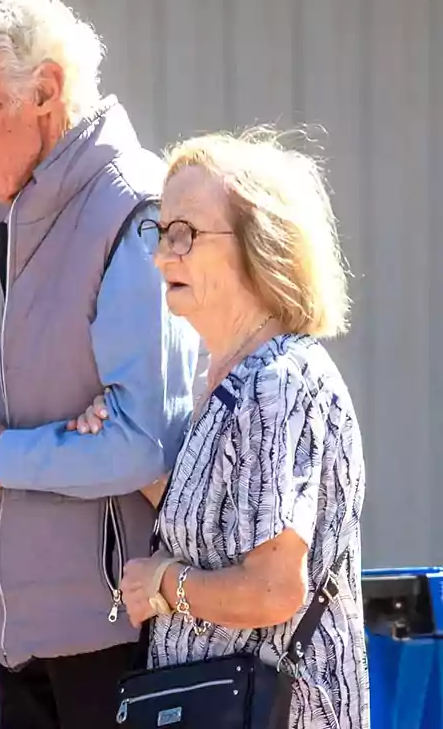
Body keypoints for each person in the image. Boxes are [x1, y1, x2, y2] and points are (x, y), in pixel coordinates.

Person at [0, 0, 203, 729]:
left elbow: (144, 442)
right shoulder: (33, 214)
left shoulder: (130, 210)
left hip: (116, 648)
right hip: (34, 648)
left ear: (44, 90)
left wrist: (3, 459)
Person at [73, 128, 369, 728]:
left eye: (184, 234)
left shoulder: (275, 382)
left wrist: (163, 583)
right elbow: (221, 524)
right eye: (160, 232)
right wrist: (118, 437)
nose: (161, 256)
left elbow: (272, 590)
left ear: (260, 246)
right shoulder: (228, 381)